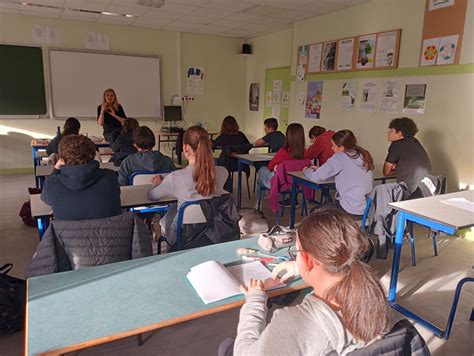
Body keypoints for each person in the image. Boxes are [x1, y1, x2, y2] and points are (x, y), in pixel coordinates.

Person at [233, 208, 389, 355]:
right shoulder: (374, 298)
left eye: (297, 252)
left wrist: (254, 301)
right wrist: (299, 267)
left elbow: (243, 353)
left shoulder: (292, 323)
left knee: (226, 345)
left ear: (309, 260)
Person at [148, 126, 228, 245]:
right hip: (211, 231)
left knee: (171, 211)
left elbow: (152, 196)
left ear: (185, 148)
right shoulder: (222, 172)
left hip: (182, 235)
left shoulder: (176, 177)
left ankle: (158, 230)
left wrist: (156, 184)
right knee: (175, 209)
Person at [41, 135, 121, 220]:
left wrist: (56, 170)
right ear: (94, 155)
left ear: (62, 160)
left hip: (68, 233)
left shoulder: (53, 184)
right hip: (108, 232)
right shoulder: (110, 177)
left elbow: (45, 198)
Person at [304, 129, 374, 218]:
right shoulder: (363, 155)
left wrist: (306, 170)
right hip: (366, 207)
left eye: (333, 146)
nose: (331, 148)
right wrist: (321, 169)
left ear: (341, 148)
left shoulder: (339, 157)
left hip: (350, 208)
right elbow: (347, 171)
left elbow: (315, 177)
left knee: (314, 213)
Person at [383, 117, 432, 199]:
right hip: (426, 188)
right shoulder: (415, 142)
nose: (388, 132)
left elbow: (386, 172)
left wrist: (397, 169)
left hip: (410, 191)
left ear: (400, 133)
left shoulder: (396, 144)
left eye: (391, 130)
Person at [257, 123, 306, 190]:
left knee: (262, 169)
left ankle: (262, 191)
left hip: (281, 183)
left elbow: (270, 166)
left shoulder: (283, 152)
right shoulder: (305, 152)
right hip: (298, 182)